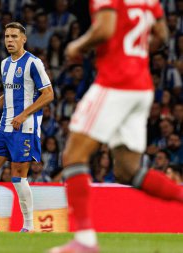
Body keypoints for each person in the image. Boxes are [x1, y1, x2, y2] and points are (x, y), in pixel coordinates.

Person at [47, 0, 181, 252]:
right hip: (141, 87)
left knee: (74, 155)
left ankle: (85, 241)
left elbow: (105, 29)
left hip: (115, 83)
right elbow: (161, 35)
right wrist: (134, 56)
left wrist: (77, 45)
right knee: (127, 171)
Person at [0, 22, 54, 232]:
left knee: (18, 177)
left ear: (24, 39)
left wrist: (24, 115)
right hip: (4, 128)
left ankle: (29, 226)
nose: (10, 40)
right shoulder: (5, 64)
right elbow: (6, 97)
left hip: (25, 129)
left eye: (14, 36)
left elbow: (49, 94)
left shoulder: (34, 63)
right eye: (7, 36)